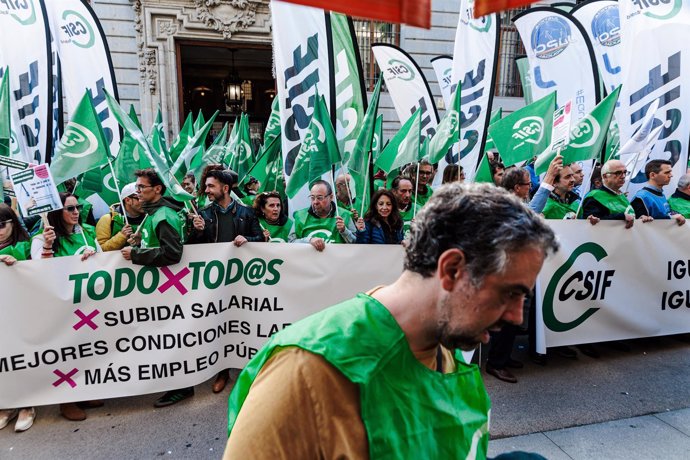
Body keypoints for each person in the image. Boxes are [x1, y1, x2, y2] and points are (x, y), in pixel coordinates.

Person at [223, 183, 558, 459]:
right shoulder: (306, 373)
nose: (516, 317)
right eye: (509, 293)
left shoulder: (447, 342)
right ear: (452, 270)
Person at [188, 168, 263, 394]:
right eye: (207, 186)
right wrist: (197, 231)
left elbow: (259, 238)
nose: (207, 190)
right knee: (220, 324)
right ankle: (222, 371)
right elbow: (192, 249)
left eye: (211, 186)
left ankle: (251, 368)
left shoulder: (247, 213)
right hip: (216, 281)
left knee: (244, 322)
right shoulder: (204, 214)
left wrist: (247, 238)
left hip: (243, 280)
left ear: (226, 189)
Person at [31, 193, 100, 421]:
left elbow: (103, 262)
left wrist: (95, 257)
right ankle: (67, 400)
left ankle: (86, 391)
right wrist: (49, 246)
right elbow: (40, 273)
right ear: (55, 213)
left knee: (86, 349)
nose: (76, 212)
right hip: (59, 307)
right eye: (69, 209)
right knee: (66, 353)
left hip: (85, 305)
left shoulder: (87, 234)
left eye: (77, 207)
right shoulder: (40, 240)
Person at [0, 203, 35, 432]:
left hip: (22, 312)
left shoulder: (25, 245)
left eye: (1, 224)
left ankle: (27, 405)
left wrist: (19, 266)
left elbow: (42, 272)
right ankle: (7, 405)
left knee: (21, 358)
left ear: (12, 222)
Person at [120, 168, 185, 267]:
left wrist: (135, 254)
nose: (137, 191)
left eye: (141, 187)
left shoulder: (164, 216)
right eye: (137, 187)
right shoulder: (152, 212)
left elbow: (172, 254)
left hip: (166, 278)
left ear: (157, 189)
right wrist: (141, 241)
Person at [289, 180, 356, 251]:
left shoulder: (345, 215)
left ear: (331, 197)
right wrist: (309, 240)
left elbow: (356, 243)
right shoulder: (300, 216)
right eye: (312, 197)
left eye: (319, 198)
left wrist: (344, 231)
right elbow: (290, 242)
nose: (315, 202)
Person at [581, 160, 640, 228]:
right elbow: (594, 224)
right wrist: (622, 216)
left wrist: (640, 219)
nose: (623, 176)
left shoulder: (621, 195)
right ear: (605, 176)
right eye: (618, 173)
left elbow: (631, 216)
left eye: (625, 172)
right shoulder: (594, 196)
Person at [630, 159, 686, 225]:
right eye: (667, 172)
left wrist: (676, 214)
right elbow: (640, 225)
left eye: (670, 172)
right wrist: (671, 217)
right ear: (652, 175)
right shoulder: (641, 197)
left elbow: (666, 213)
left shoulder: (661, 194)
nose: (671, 175)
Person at [95, 183, 146, 251]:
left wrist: (142, 240)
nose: (144, 201)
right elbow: (101, 250)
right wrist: (121, 236)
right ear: (127, 200)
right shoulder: (107, 219)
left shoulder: (150, 218)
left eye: (145, 197)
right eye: (139, 198)